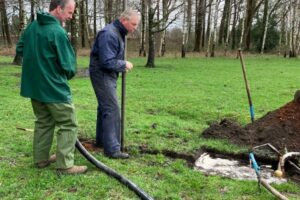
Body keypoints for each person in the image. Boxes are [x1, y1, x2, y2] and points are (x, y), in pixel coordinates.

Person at [16, 0, 87, 174]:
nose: (71, 17)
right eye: (69, 12)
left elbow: (20, 49)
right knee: (68, 123)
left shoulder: (32, 27)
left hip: (35, 87)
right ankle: (65, 165)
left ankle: (41, 159)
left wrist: (37, 63)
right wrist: (59, 73)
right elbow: (69, 66)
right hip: (54, 88)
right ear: (58, 8)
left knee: (44, 121)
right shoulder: (57, 32)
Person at [89, 9, 140, 159]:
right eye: (133, 24)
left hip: (108, 75)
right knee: (112, 108)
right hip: (103, 74)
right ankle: (112, 149)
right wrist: (123, 64)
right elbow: (107, 61)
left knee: (104, 107)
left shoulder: (118, 33)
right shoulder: (109, 34)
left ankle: (102, 141)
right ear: (124, 20)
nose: (135, 28)